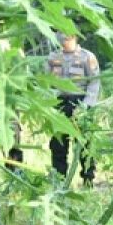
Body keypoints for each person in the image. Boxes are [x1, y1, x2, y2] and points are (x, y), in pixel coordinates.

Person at [46, 31, 100, 186]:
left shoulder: (87, 57)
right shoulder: (52, 58)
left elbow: (94, 82)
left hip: (81, 103)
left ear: (75, 36)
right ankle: (59, 180)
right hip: (59, 103)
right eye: (61, 35)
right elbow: (46, 82)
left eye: (67, 35)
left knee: (84, 143)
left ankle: (88, 179)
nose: (64, 38)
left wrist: (86, 105)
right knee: (58, 143)